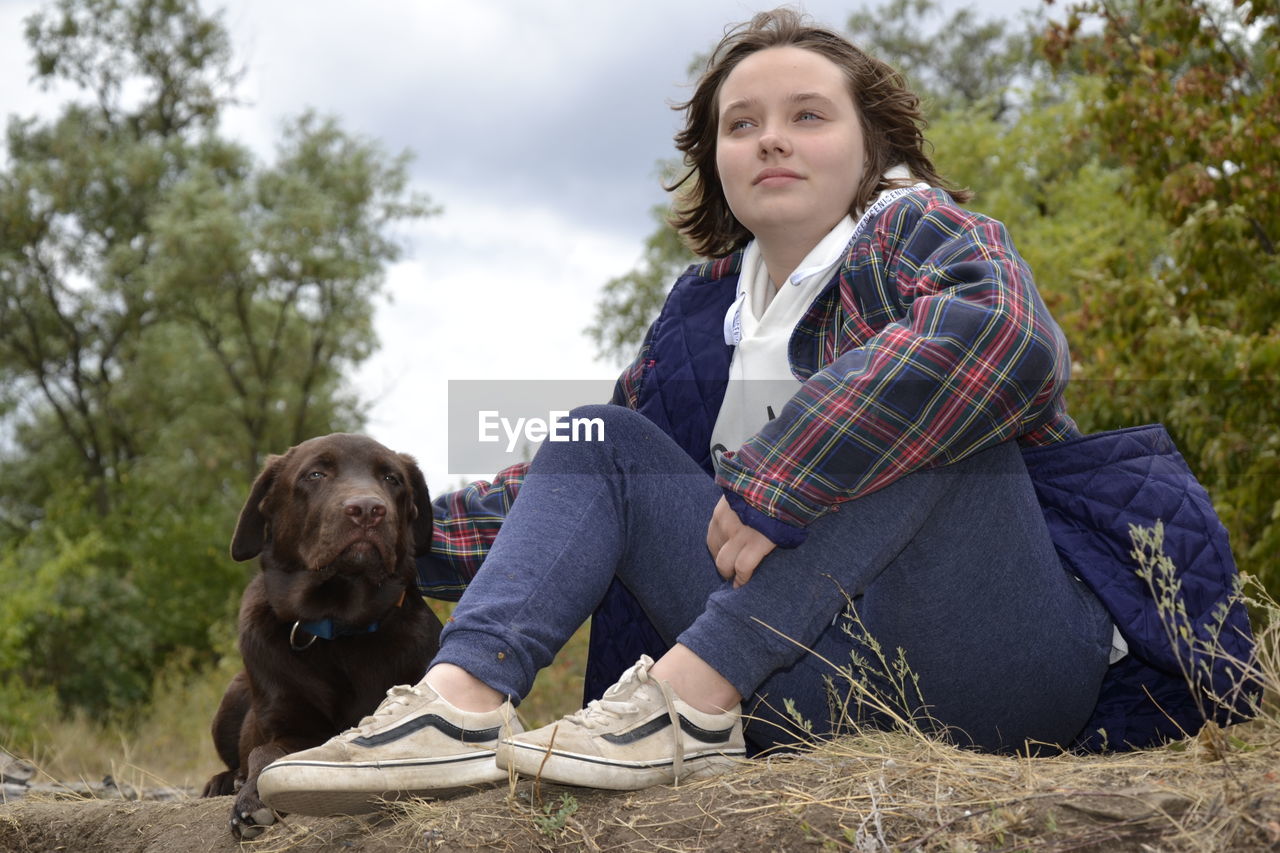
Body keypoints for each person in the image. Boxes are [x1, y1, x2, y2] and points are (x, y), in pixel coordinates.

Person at [256, 9, 1255, 815]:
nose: (770, 136)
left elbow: (1005, 342)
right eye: (741, 123)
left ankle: (684, 702)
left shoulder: (911, 231)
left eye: (807, 115)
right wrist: (373, 534)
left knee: (922, 406)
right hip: (799, 683)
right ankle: (457, 711)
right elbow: (564, 498)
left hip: (998, 656)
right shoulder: (700, 314)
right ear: (717, 161)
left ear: (873, 146)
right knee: (598, 441)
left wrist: (780, 475)